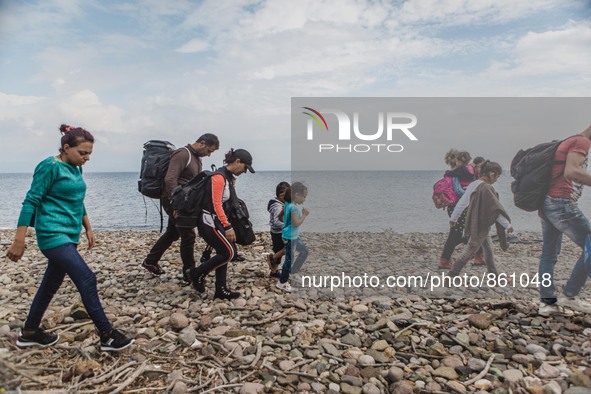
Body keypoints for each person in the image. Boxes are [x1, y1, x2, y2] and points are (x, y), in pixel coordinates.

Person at [6, 124, 134, 351]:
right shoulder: (49, 166)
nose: (86, 158)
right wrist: (19, 239)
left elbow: (77, 199)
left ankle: (30, 332)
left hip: (70, 233)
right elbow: (31, 201)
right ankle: (107, 335)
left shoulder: (76, 169)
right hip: (52, 233)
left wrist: (88, 227)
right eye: (82, 153)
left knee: (50, 284)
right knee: (87, 278)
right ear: (66, 147)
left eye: (89, 154)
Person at [142, 134, 219, 284]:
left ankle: (150, 261)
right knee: (188, 235)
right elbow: (170, 179)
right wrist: (175, 206)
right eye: (209, 150)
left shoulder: (196, 158)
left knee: (173, 232)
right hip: (175, 201)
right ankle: (189, 273)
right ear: (202, 143)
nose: (209, 154)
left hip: (184, 202)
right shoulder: (183, 154)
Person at [538, 125, 591, 316]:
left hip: (547, 202)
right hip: (561, 203)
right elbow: (571, 172)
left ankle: (547, 303)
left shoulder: (570, 140)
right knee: (589, 245)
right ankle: (570, 295)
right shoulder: (582, 142)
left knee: (548, 254)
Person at [188, 148, 255, 299]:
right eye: (245, 167)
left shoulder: (226, 177)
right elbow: (216, 204)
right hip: (209, 221)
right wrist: (228, 226)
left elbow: (224, 201)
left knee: (224, 251)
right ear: (237, 161)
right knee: (229, 252)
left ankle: (221, 290)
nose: (245, 172)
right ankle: (196, 273)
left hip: (214, 221)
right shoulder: (219, 177)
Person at [448, 161, 513, 277]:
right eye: (497, 176)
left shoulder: (474, 184)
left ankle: (494, 276)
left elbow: (462, 203)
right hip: (480, 225)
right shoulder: (487, 188)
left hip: (475, 222)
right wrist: (507, 224)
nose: (496, 180)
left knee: (489, 250)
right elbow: (495, 209)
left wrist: (453, 218)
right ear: (492, 174)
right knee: (470, 249)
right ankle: (451, 275)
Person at [439, 150, 476, 269]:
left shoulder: (452, 174)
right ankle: (445, 259)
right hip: (463, 205)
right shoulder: (465, 172)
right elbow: (461, 191)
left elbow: (458, 190)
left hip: (457, 205)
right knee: (462, 232)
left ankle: (446, 259)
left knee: (459, 232)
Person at [276, 182, 310, 292]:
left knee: (304, 251)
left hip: (292, 236)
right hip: (290, 237)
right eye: (303, 197)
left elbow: (280, 216)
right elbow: (296, 223)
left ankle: (293, 272)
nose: (304, 200)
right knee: (289, 260)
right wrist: (304, 215)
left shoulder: (287, 204)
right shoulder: (293, 207)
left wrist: (286, 223)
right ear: (297, 195)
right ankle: (282, 283)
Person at [266, 181, 290, 278]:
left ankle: (274, 272)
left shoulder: (282, 203)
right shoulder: (277, 206)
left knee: (279, 251)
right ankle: (272, 258)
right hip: (279, 232)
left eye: (286, 196)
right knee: (288, 248)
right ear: (277, 195)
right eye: (282, 196)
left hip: (276, 231)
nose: (284, 198)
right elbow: (276, 221)